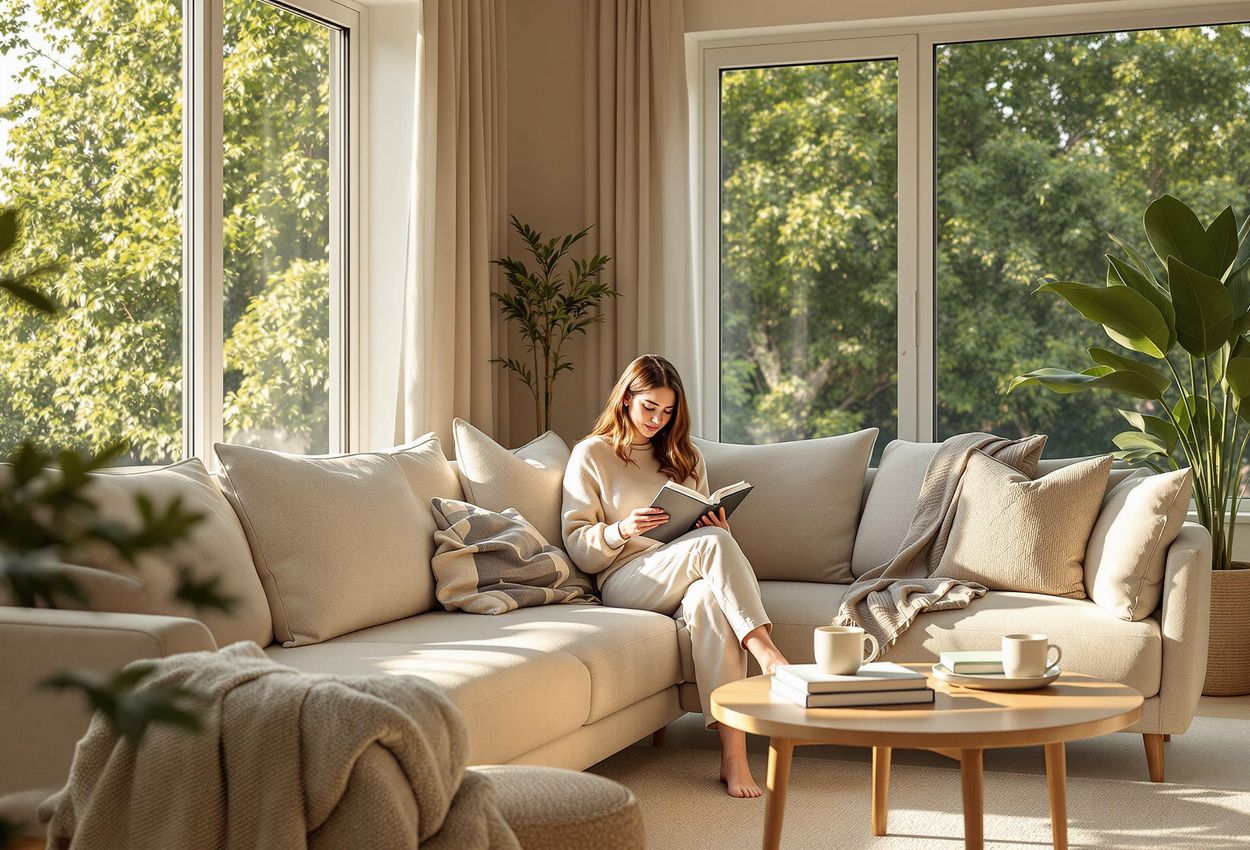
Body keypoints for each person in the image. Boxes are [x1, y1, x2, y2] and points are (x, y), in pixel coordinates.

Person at [561, 354, 789, 798]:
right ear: (626, 399)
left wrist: (715, 528)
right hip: (625, 579)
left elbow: (697, 529)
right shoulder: (591, 455)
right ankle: (767, 653)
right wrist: (621, 529)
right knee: (714, 550)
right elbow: (578, 546)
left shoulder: (685, 456)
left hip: (683, 571)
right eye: (649, 407)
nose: (657, 420)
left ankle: (733, 755)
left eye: (667, 412)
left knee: (708, 599)